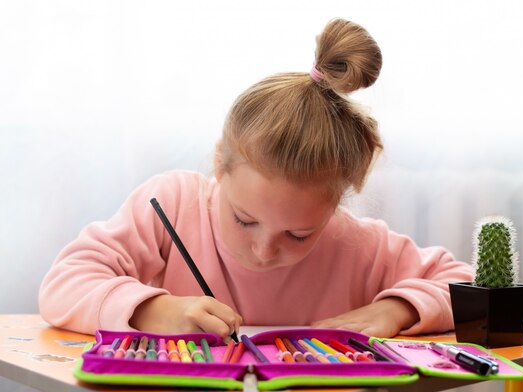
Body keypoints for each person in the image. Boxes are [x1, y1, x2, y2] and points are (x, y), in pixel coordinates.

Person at [39, 18, 473, 341]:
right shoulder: (171, 205)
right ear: (219, 166)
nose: (265, 250)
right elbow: (64, 283)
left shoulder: (355, 244)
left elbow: (468, 285)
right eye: (245, 220)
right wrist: (154, 311)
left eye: (300, 234)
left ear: (336, 205)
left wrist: (397, 309)